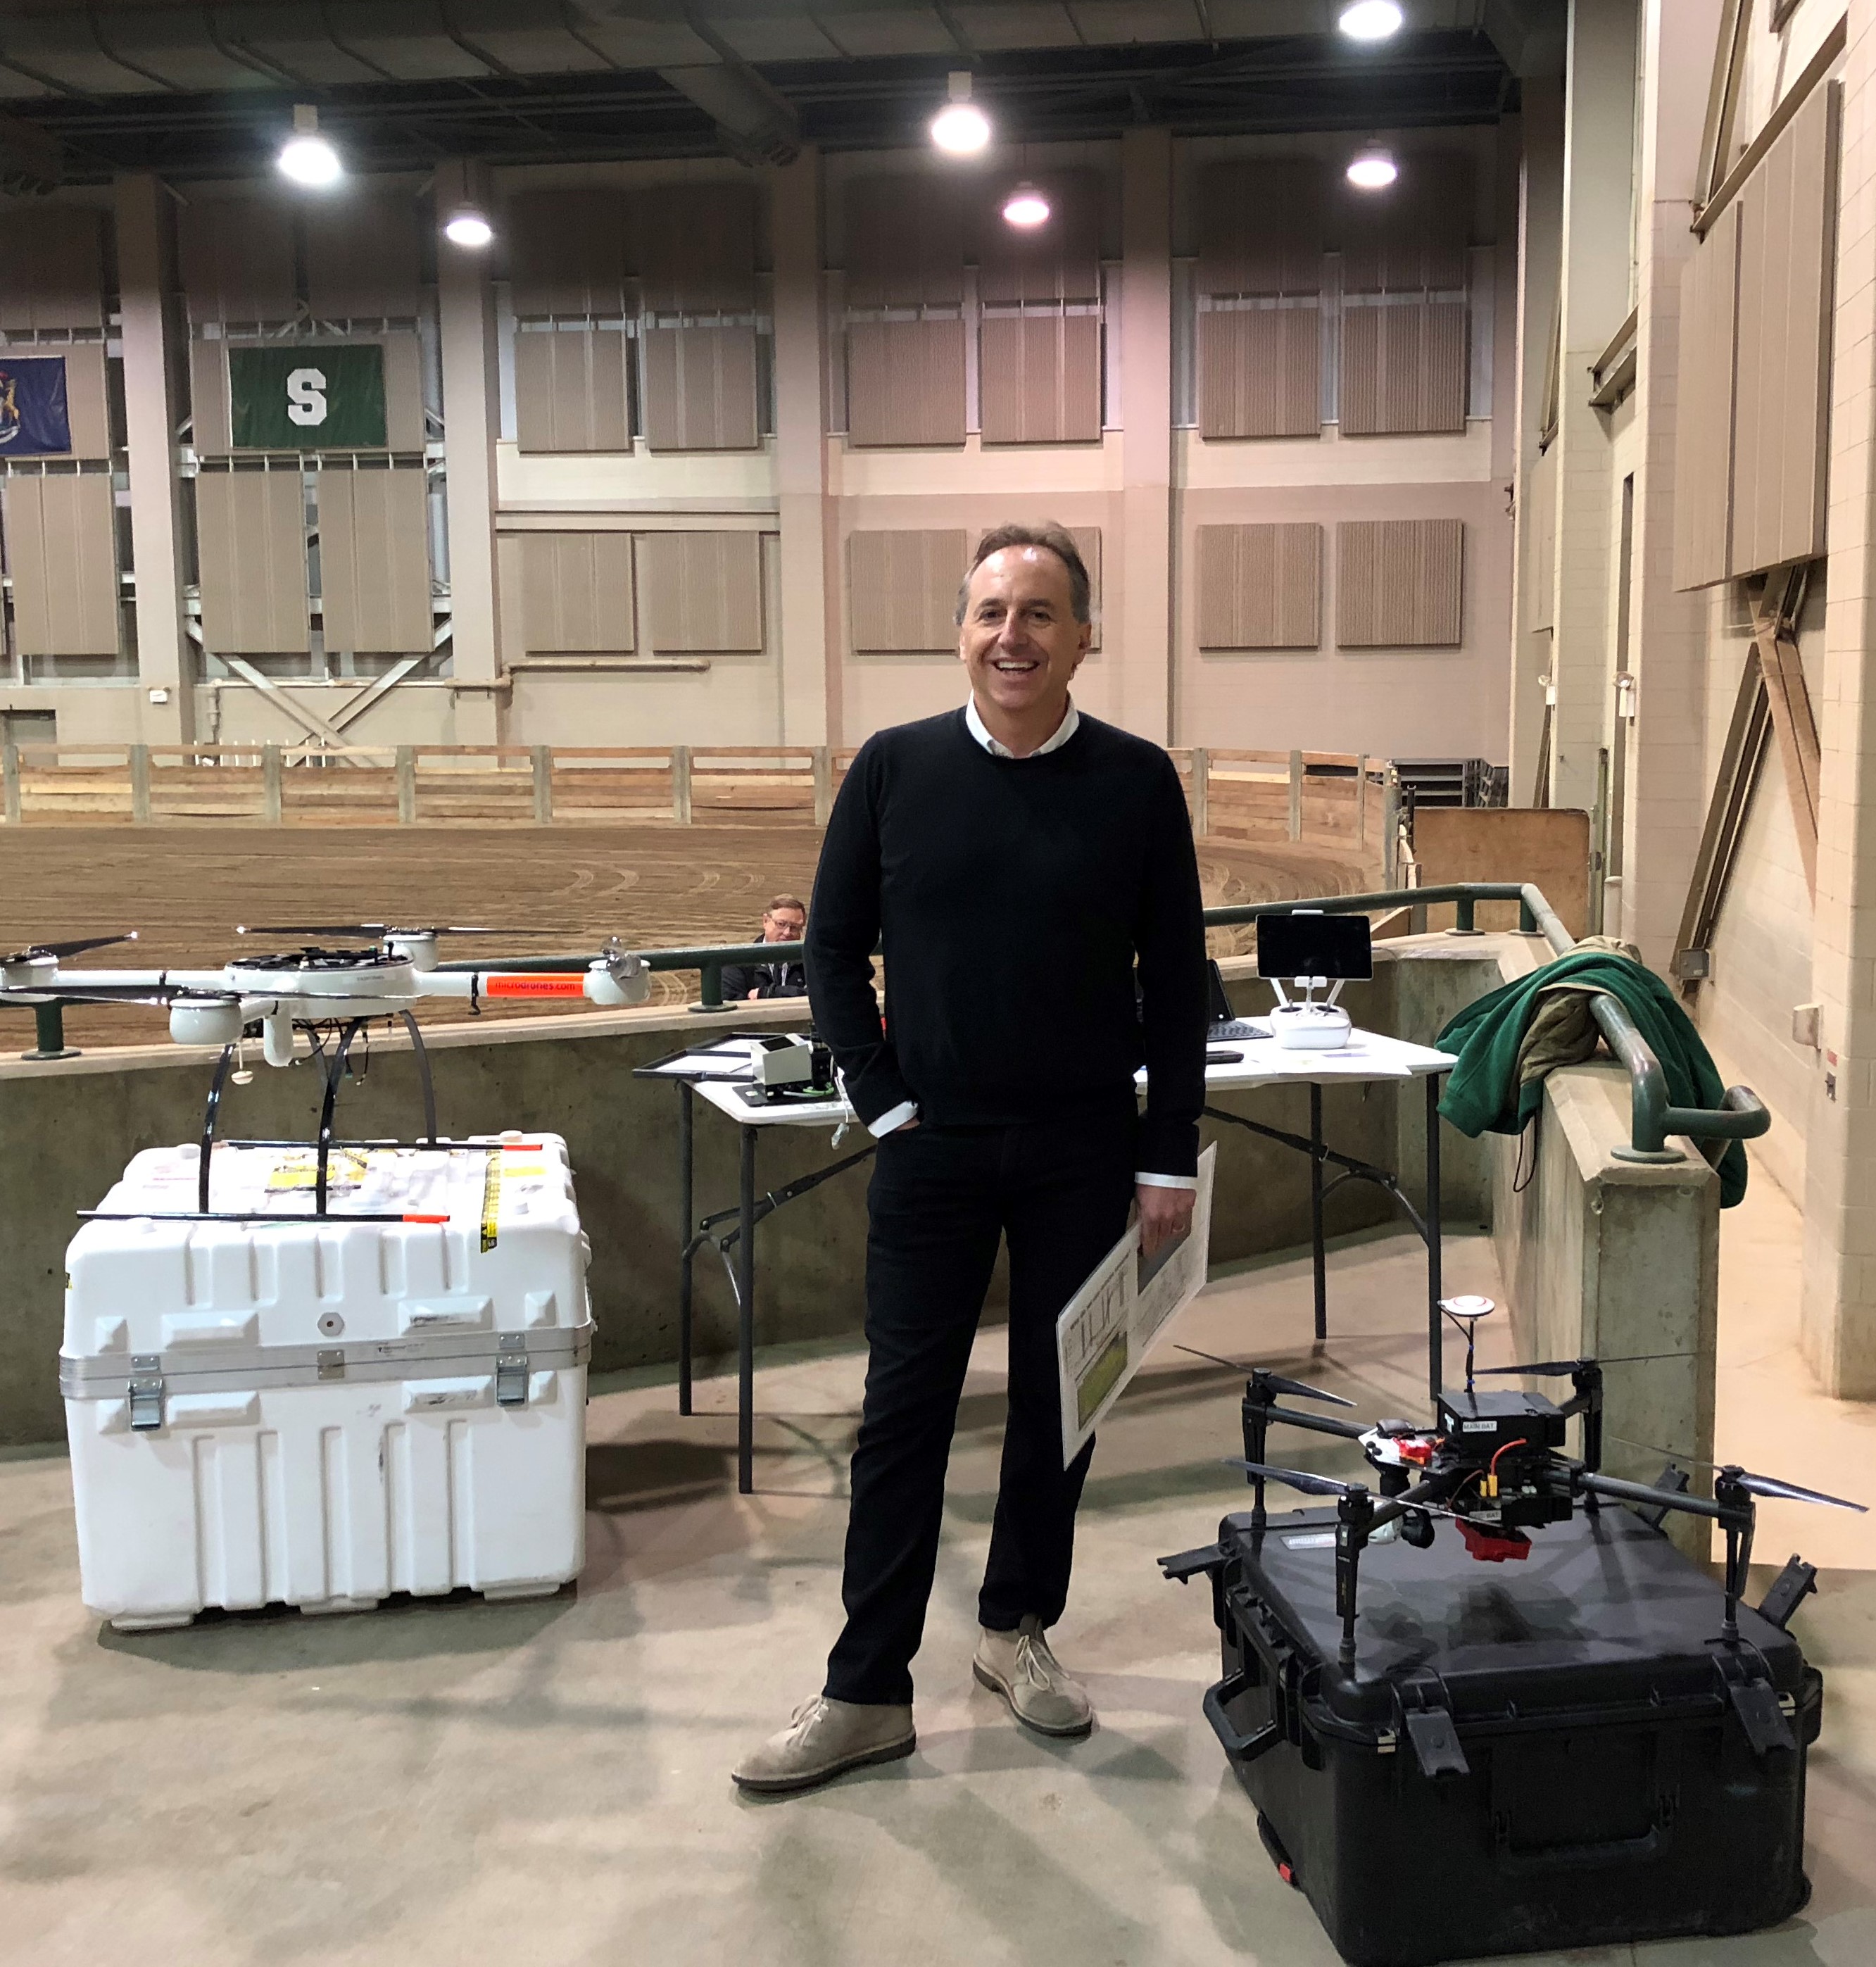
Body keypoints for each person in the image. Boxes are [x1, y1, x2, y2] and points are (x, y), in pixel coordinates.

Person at [732, 522, 1207, 1796]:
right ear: (962, 630)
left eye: (1042, 612)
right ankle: (866, 1687)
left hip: (1082, 1144)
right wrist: (882, 1100)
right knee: (904, 1416)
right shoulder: (893, 771)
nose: (1015, 636)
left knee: (1063, 1402)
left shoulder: (1137, 781)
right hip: (932, 1148)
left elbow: (1175, 985)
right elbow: (832, 951)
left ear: (1084, 637)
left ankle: (1015, 1626)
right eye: (993, 611)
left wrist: (1168, 1158)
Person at [719, 894, 807, 1001]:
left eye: (795, 927)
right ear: (765, 921)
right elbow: (730, 1004)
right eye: (781, 924)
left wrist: (767, 993)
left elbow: (824, 995)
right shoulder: (737, 963)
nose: (787, 933)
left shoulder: (810, 961)